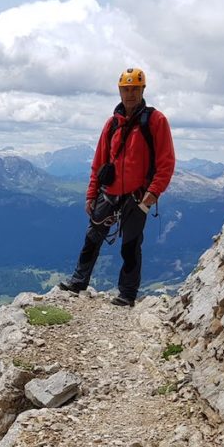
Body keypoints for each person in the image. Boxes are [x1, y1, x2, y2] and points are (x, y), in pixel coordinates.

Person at [60, 67, 175, 306]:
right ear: (120, 91)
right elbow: (99, 161)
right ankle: (78, 282)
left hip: (138, 195)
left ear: (143, 90)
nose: (130, 94)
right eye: (126, 89)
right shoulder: (112, 124)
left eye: (135, 89)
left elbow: (166, 161)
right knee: (92, 237)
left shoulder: (155, 121)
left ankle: (127, 294)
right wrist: (91, 194)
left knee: (131, 245)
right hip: (109, 192)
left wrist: (153, 192)